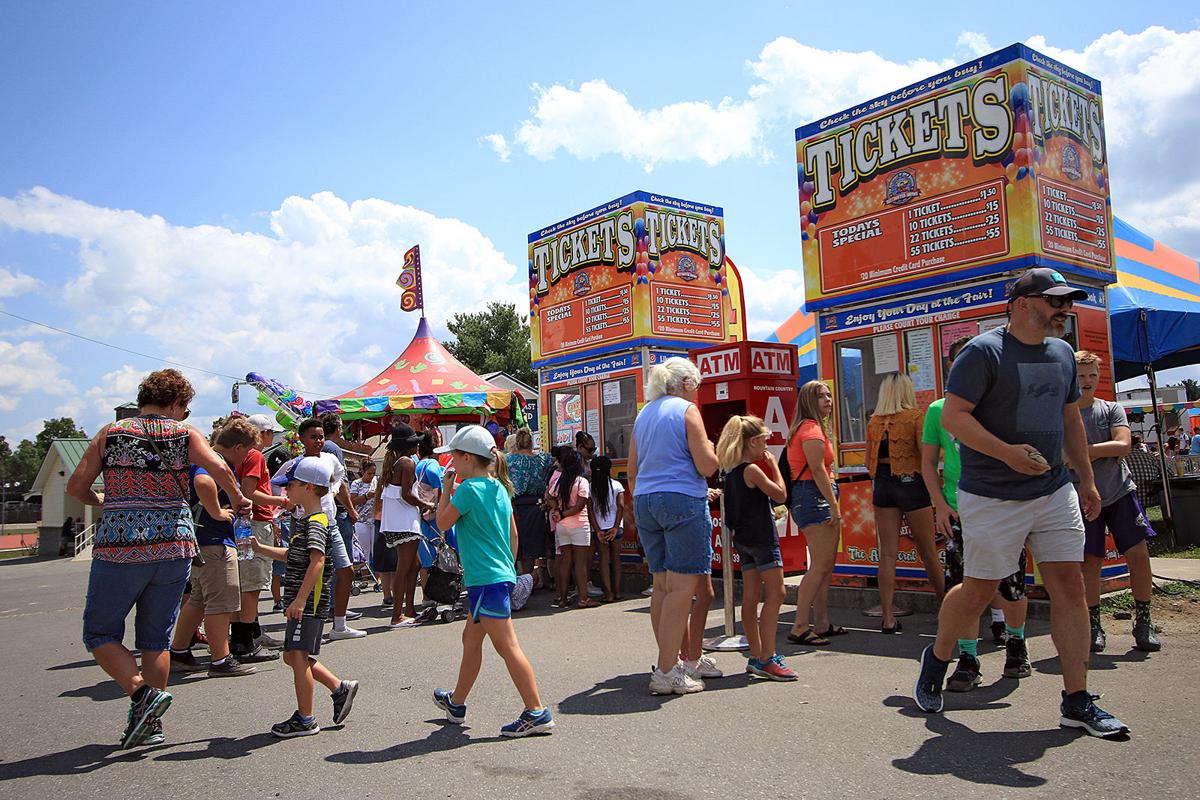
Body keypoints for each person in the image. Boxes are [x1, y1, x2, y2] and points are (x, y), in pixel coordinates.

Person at [914, 267, 1128, 737]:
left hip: (1053, 491)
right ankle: (939, 656)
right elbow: (954, 417)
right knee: (977, 589)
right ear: (1023, 303)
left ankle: (1076, 699)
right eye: (1055, 302)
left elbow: (1071, 421)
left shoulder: (1063, 355)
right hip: (991, 495)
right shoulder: (982, 352)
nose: (1064, 311)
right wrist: (1007, 454)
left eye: (1067, 302)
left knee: (1068, 587)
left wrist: (1085, 480)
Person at [67, 368, 251, 748]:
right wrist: (237, 498)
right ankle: (151, 724)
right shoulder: (186, 435)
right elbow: (217, 467)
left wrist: (100, 500)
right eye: (184, 407)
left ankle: (140, 694)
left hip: (122, 543)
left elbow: (77, 486)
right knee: (155, 640)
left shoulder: (111, 434)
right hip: (175, 545)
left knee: (100, 632)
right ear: (176, 403)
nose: (184, 415)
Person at [921, 336, 1030, 693]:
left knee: (1012, 586)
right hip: (959, 510)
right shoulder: (938, 410)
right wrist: (939, 504)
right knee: (963, 588)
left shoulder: (1002, 403)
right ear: (952, 366)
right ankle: (968, 658)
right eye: (961, 361)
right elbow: (927, 463)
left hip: (1004, 509)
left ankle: (1016, 643)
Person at [431, 425, 554, 737]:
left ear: (468, 458)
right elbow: (513, 534)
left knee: (508, 647)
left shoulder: (469, 490)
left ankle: (536, 711)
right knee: (471, 641)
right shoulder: (499, 487)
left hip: (485, 579)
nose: (451, 464)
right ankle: (456, 703)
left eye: (454, 458)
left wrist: (447, 489)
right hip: (496, 576)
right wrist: (508, 567)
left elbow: (441, 522)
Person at [627, 357, 720, 695]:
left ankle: (669, 664)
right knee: (682, 588)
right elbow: (706, 464)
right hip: (682, 499)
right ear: (684, 383)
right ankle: (667, 670)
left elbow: (633, 468)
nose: (697, 392)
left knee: (663, 587)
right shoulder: (686, 410)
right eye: (695, 385)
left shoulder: (643, 414)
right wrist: (717, 449)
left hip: (646, 501)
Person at [252, 456, 359, 737]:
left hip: (308, 602)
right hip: (303, 600)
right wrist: (260, 548)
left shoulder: (316, 522)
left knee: (297, 657)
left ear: (309, 487)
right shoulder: (307, 520)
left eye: (292, 485)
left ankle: (306, 718)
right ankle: (339, 688)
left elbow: (318, 562)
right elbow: (293, 556)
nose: (286, 490)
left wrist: (300, 600)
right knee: (292, 656)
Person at [1070, 351, 1160, 653]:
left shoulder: (1111, 409)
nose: (1087, 381)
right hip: (1083, 494)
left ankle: (1144, 619)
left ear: (1100, 376)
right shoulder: (1063, 413)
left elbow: (1123, 444)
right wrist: (1098, 451)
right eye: (1081, 375)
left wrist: (1083, 451)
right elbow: (1061, 456)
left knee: (1138, 553)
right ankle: (1094, 623)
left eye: (1092, 375)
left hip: (1120, 491)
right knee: (1091, 561)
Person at [168, 417, 259, 678]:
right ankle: (220, 659)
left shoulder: (204, 458)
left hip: (200, 541)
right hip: (215, 542)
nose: (247, 458)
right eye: (248, 451)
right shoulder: (215, 464)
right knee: (221, 601)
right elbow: (202, 483)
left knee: (198, 599)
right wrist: (217, 511)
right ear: (239, 447)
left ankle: (179, 651)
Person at [717, 416, 796, 680]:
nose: (766, 445)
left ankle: (756, 653)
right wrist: (774, 467)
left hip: (743, 538)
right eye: (764, 440)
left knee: (750, 597)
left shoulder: (730, 471)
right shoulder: (752, 469)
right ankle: (767, 655)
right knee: (777, 592)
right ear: (752, 442)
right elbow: (780, 495)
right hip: (762, 538)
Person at [866, 372, 944, 633]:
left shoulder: (875, 421)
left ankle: (887, 617)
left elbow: (869, 461)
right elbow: (928, 456)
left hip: (883, 485)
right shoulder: (915, 417)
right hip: (912, 483)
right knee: (928, 551)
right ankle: (945, 609)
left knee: (887, 553)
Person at [273, 418, 365, 640]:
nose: (318, 441)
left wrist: (350, 509)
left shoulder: (330, 459)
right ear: (302, 438)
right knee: (308, 572)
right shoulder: (293, 464)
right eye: (313, 437)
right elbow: (277, 484)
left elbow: (339, 484)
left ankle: (339, 625)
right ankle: (304, 626)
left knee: (346, 571)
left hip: (330, 523)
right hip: (304, 522)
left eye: (321, 436)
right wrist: (288, 504)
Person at [785, 380, 844, 645]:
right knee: (820, 565)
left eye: (829, 395)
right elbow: (818, 470)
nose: (828, 400)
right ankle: (800, 625)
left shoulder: (809, 428)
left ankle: (821, 622)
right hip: (814, 497)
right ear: (810, 401)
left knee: (823, 565)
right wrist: (833, 505)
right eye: (822, 397)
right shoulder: (810, 429)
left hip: (811, 496)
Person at [231, 413, 288, 662]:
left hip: (250, 521)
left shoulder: (243, 455)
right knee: (253, 584)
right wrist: (280, 500)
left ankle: (251, 634)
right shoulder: (254, 455)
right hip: (256, 521)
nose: (270, 437)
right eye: (268, 433)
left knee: (246, 582)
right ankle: (245, 643)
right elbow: (249, 492)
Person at [378, 423, 430, 627]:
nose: (417, 447)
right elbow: (407, 494)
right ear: (408, 446)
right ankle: (397, 615)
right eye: (414, 443)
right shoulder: (407, 463)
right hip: (404, 522)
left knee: (414, 564)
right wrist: (427, 503)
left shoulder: (397, 462)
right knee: (404, 567)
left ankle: (409, 608)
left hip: (398, 520)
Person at [320, 413, 364, 633]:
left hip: (325, 511)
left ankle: (333, 606)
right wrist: (351, 509)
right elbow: (340, 484)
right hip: (337, 513)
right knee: (343, 565)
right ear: (337, 428)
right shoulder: (333, 449)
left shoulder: (322, 447)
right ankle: (337, 608)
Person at [547, 448, 597, 609]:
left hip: (562, 527)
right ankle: (584, 598)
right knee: (580, 564)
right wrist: (562, 513)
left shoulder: (560, 480)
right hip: (580, 526)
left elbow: (549, 496)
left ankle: (562, 598)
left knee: (565, 562)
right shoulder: (582, 482)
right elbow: (580, 505)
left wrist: (557, 511)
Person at [505, 428, 554, 589]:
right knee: (532, 547)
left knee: (515, 544)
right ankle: (528, 581)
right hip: (536, 506)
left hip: (514, 506)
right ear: (532, 442)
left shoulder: (509, 460)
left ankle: (515, 581)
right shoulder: (543, 459)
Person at [414, 433, 457, 601]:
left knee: (426, 560)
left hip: (422, 517)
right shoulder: (433, 467)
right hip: (437, 517)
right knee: (445, 557)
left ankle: (427, 596)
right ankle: (445, 594)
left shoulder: (418, 465)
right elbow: (443, 492)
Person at [589, 456, 626, 603]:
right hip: (615, 528)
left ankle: (608, 593)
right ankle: (617, 592)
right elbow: (621, 506)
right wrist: (616, 527)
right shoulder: (617, 485)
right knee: (616, 559)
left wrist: (597, 530)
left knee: (604, 560)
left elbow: (590, 510)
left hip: (600, 529)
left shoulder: (591, 487)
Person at [349, 462, 378, 579]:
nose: (371, 476)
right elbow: (352, 501)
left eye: (373, 473)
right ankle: (365, 576)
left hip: (375, 519)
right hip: (361, 520)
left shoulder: (377, 481)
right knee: (364, 549)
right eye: (369, 473)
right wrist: (366, 496)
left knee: (376, 549)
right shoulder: (356, 483)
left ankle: (379, 576)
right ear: (363, 472)